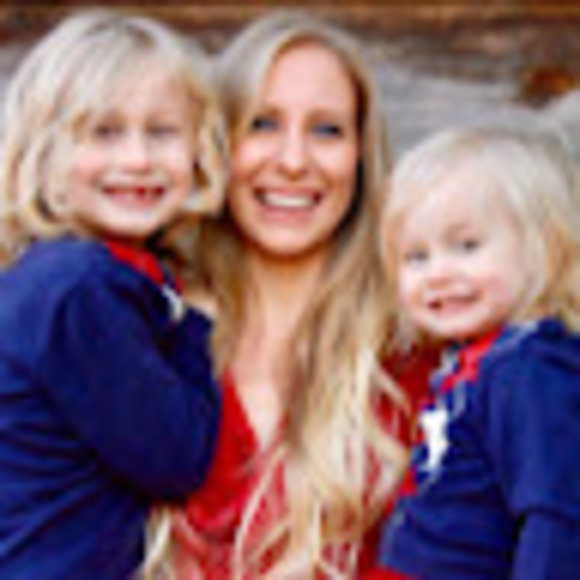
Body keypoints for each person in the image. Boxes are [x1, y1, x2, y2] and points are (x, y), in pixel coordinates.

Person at [140, 9, 426, 580]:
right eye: (263, 124)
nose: (294, 162)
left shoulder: (415, 352)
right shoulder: (147, 329)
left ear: (362, 155)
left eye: (327, 130)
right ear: (217, 143)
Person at [0, 9, 226, 578]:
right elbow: (178, 457)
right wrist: (197, 326)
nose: (137, 160)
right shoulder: (76, 291)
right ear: (42, 151)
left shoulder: (69, 273)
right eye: (104, 133)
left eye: (162, 131)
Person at [376, 127, 580, 579]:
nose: (438, 274)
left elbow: (557, 516)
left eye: (466, 246)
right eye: (416, 257)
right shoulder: (477, 360)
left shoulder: (530, 368)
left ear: (544, 245)